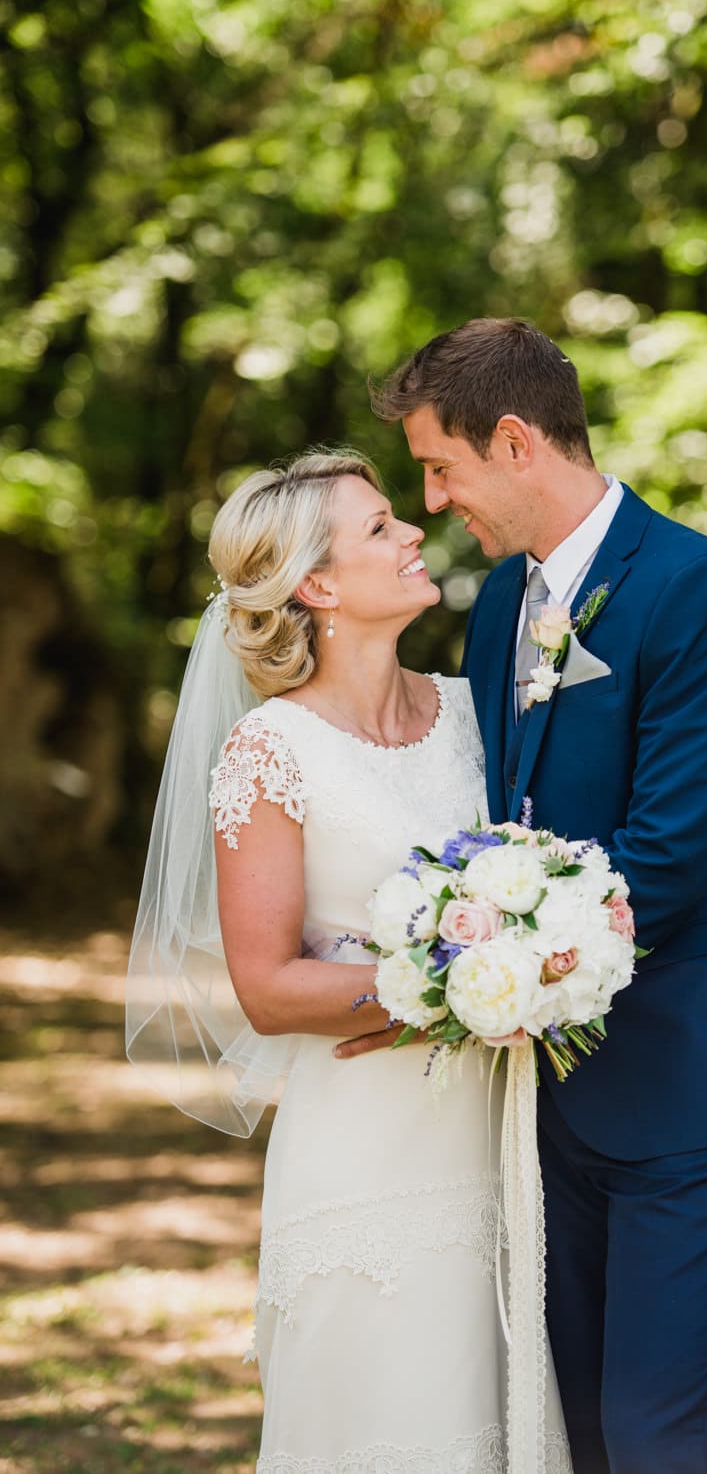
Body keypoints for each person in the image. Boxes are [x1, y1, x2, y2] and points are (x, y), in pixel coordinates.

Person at [345, 319, 707, 1474]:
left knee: (663, 1431)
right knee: (576, 1431)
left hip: (687, 1081)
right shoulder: (502, 604)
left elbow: (673, 854)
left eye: (440, 469)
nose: (436, 501)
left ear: (512, 441)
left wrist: (482, 974)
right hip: (543, 1098)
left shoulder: (695, 589)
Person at [125, 450, 571, 1473]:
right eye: (378, 527)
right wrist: (457, 992)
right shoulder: (271, 751)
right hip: (361, 1139)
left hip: (493, 1126)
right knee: (383, 1416)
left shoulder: (472, 713)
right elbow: (269, 987)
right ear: (315, 585)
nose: (414, 530)